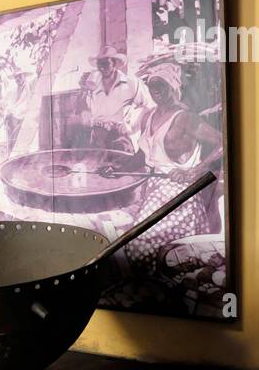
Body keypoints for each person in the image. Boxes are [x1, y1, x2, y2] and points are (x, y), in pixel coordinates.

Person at [123, 59, 224, 267]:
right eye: (152, 85)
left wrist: (195, 170)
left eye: (161, 85)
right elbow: (143, 155)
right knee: (131, 241)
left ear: (172, 87)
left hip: (179, 193)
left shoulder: (184, 118)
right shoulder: (149, 116)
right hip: (153, 187)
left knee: (138, 246)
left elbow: (225, 141)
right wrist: (117, 168)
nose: (155, 90)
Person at [76, 46, 149, 151]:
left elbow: (147, 107)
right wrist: (83, 90)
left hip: (121, 137)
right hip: (98, 137)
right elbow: (83, 110)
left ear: (114, 64)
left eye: (106, 64)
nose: (102, 68)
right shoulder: (92, 86)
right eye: (99, 64)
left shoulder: (131, 83)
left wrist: (132, 126)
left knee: (121, 164)